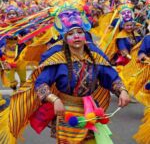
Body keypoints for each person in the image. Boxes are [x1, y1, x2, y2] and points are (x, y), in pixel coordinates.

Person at [0, 8, 130, 144]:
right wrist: (54, 99)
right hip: (66, 111)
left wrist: (122, 91)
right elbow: (41, 83)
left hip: (90, 109)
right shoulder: (57, 59)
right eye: (71, 33)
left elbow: (110, 77)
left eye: (80, 32)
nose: (76, 36)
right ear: (64, 37)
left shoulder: (95, 57)